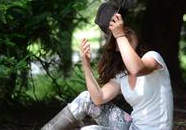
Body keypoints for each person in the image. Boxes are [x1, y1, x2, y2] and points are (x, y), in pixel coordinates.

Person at [41, 13, 173, 130]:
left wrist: (120, 35)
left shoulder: (153, 57)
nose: (125, 35)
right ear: (115, 46)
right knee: (86, 98)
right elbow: (98, 98)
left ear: (137, 36)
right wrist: (86, 65)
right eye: (122, 33)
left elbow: (137, 68)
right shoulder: (122, 75)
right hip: (133, 127)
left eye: (129, 32)